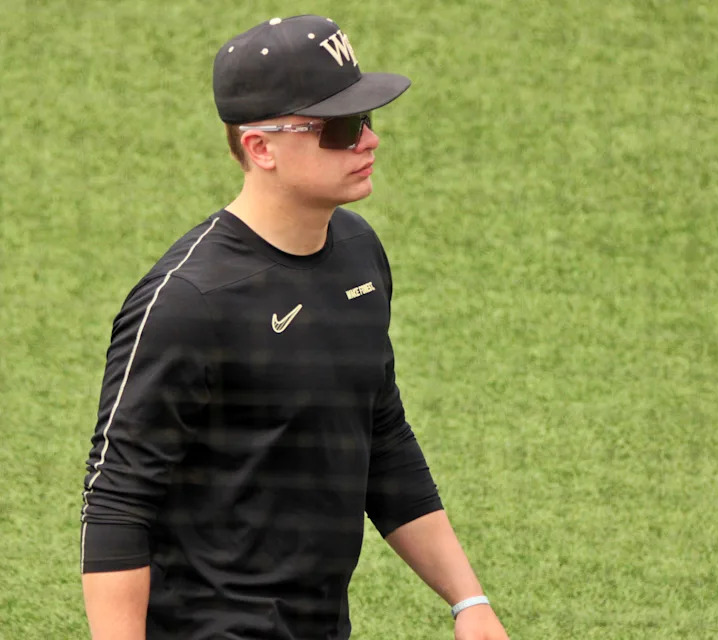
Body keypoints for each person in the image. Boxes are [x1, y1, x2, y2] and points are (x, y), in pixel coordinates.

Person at [80, 14, 509, 640]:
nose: (368, 142)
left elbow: (381, 436)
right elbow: (117, 497)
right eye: (338, 128)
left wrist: (468, 602)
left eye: (368, 119)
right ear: (261, 148)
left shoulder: (357, 253)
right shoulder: (190, 302)